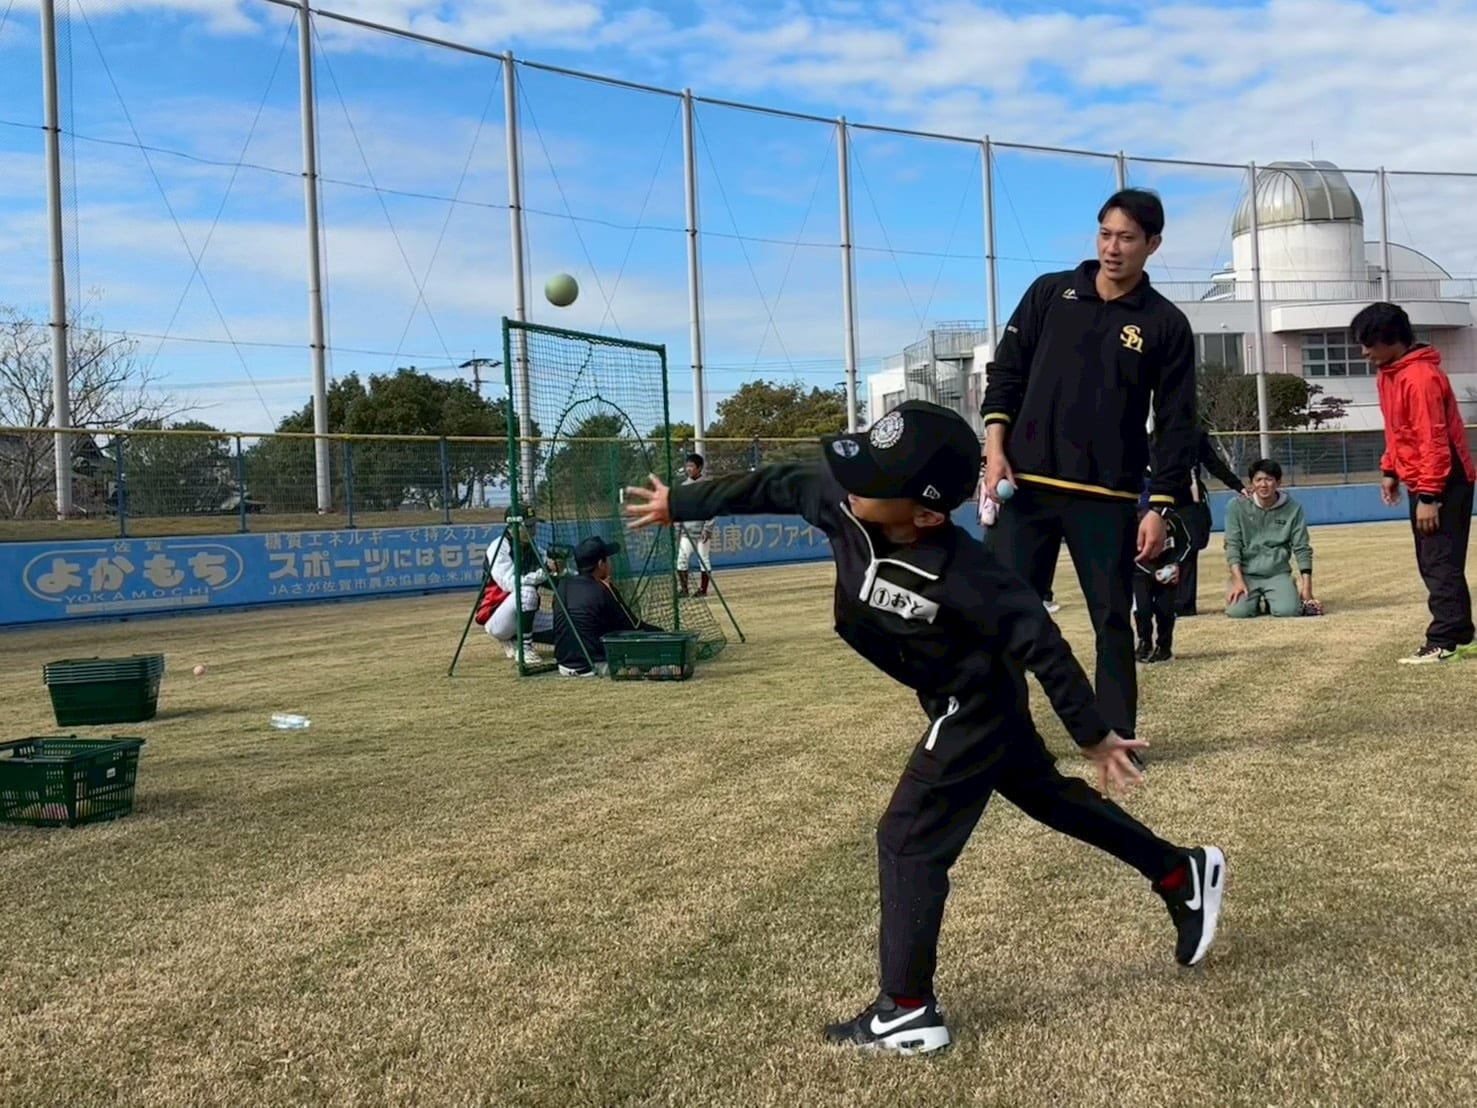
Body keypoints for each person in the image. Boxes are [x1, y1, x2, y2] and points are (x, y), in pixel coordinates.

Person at [624, 399, 1225, 1056]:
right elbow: (778, 483)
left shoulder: (964, 571)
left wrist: (1092, 734)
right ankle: (1178, 872)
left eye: (875, 481)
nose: (851, 485)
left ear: (928, 515)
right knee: (1047, 798)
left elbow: (1040, 640)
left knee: (907, 840)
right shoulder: (843, 501)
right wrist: (679, 503)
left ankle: (905, 1009)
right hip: (948, 694)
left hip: (974, 705)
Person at [980, 187, 1198, 744]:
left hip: (1108, 497)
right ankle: (999, 735)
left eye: (1127, 237)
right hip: (1025, 488)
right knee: (1004, 616)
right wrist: (995, 449)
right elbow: (1005, 375)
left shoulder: (1165, 323)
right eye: (1105, 234)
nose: (1112, 248)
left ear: (1152, 244)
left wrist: (1160, 507)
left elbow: (1176, 423)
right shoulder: (1050, 293)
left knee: (1110, 620)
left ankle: (1116, 734)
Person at [1352, 301, 1477, 664]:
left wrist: (1429, 495)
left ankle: (1445, 640)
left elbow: (1432, 439)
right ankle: (1462, 634)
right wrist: (1390, 470)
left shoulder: (1420, 378)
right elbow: (1397, 431)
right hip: (1421, 478)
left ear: (1394, 340)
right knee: (1434, 559)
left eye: (1369, 344)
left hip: (1443, 480)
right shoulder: (1390, 373)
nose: (1363, 352)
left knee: (1439, 561)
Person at [552, 536, 664, 677]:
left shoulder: (563, 585)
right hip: (595, 667)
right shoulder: (602, 589)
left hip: (563, 665)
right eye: (607, 559)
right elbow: (633, 627)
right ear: (601, 564)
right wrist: (662, 633)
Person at [1223, 459, 1316, 618]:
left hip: (1277, 573)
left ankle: (1283, 592)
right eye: (1258, 480)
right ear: (1251, 483)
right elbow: (1232, 545)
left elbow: (1302, 548)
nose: (1263, 485)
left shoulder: (1293, 508)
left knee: (1288, 611)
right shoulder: (1236, 506)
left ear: (1278, 482)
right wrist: (1237, 580)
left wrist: (1307, 589)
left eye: (1269, 479)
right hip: (1247, 574)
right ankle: (1252, 601)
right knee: (1238, 612)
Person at [1175, 429, 1249, 617]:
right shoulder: (1151, 437)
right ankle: (1158, 602)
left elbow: (1214, 464)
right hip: (1160, 497)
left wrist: (1238, 486)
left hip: (1190, 499)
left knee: (1190, 548)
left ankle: (1184, 605)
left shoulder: (1194, 437)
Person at [477, 521, 551, 663]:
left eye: (533, 525)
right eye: (528, 526)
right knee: (527, 592)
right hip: (496, 616)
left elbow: (550, 575)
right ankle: (524, 649)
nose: (533, 530)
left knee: (562, 624)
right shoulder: (499, 546)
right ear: (512, 527)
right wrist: (545, 572)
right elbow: (510, 583)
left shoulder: (534, 547)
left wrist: (559, 569)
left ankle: (516, 638)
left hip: (523, 615)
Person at [675, 453, 716, 597]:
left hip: (702, 532)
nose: (689, 469)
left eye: (692, 466)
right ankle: (684, 589)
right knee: (681, 559)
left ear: (699, 468)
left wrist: (707, 529)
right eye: (687, 466)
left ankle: (703, 590)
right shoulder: (683, 487)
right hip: (687, 531)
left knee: (703, 559)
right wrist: (677, 531)